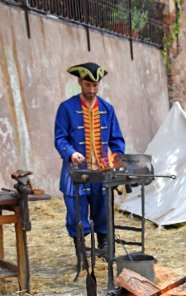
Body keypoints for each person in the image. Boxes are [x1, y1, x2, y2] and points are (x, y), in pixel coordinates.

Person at [54, 62, 125, 255]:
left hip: (102, 172)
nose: (92, 89)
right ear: (79, 82)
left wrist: (117, 157)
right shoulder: (66, 108)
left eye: (95, 85)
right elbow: (60, 138)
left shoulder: (107, 109)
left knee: (103, 211)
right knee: (76, 212)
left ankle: (103, 246)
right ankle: (81, 249)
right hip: (75, 172)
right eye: (87, 85)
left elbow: (116, 139)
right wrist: (70, 153)